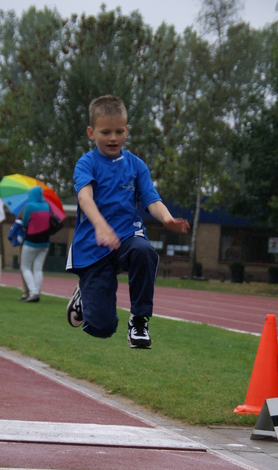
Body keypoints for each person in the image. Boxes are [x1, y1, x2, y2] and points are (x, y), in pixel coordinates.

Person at [66, 94, 190, 348]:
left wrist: (167, 218)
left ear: (127, 130)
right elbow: (84, 196)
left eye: (119, 131)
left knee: (144, 250)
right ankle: (84, 297)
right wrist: (100, 225)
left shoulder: (136, 165)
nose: (113, 138)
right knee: (102, 328)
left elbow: (151, 199)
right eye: (106, 132)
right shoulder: (87, 163)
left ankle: (139, 320)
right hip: (94, 246)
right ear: (91, 132)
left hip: (126, 237)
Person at [20, 186, 50, 302]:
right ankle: (36, 292)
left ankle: (32, 292)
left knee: (25, 267)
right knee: (38, 268)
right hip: (45, 242)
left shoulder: (29, 206)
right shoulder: (46, 206)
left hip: (31, 241)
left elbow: (24, 222)